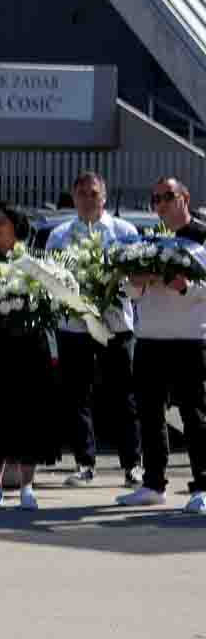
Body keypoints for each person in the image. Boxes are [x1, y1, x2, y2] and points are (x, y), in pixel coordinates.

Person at [45, 171, 142, 489]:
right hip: (74, 326)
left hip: (115, 325)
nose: (88, 198)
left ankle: (133, 465)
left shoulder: (125, 231)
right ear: (74, 197)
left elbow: (136, 279)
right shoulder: (60, 234)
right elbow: (51, 279)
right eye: (83, 193)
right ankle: (85, 463)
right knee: (77, 395)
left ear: (104, 196)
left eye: (94, 193)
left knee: (123, 395)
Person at [116, 177, 206, 514]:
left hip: (190, 339)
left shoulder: (202, 236)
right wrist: (137, 283)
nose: (161, 205)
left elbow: (200, 288)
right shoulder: (149, 240)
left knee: (194, 415)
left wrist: (185, 286)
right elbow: (131, 293)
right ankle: (154, 483)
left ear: (184, 197)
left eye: (167, 197)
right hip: (151, 338)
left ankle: (203, 484)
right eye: (155, 200)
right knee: (150, 414)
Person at [0, 205, 59, 510]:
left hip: (29, 347)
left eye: (0, 222)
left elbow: (51, 298)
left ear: (16, 227)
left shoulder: (33, 259)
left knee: (29, 415)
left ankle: (27, 486)